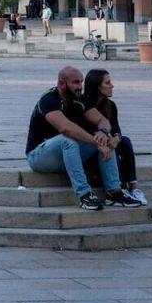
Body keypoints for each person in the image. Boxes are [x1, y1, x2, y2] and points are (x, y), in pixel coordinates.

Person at [24, 66, 135, 211]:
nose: (80, 87)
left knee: (104, 139)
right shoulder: (48, 100)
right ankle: (85, 195)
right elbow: (66, 128)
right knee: (67, 140)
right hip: (38, 156)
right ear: (62, 83)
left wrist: (103, 132)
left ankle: (114, 193)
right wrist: (95, 142)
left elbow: (103, 121)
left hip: (67, 155)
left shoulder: (80, 100)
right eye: (75, 82)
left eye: (81, 82)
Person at [81, 69, 148, 205]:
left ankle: (133, 187)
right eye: (108, 83)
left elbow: (116, 128)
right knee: (108, 144)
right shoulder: (84, 104)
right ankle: (118, 188)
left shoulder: (110, 105)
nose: (112, 86)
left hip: (105, 143)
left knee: (125, 141)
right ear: (97, 86)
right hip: (92, 148)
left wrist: (116, 138)